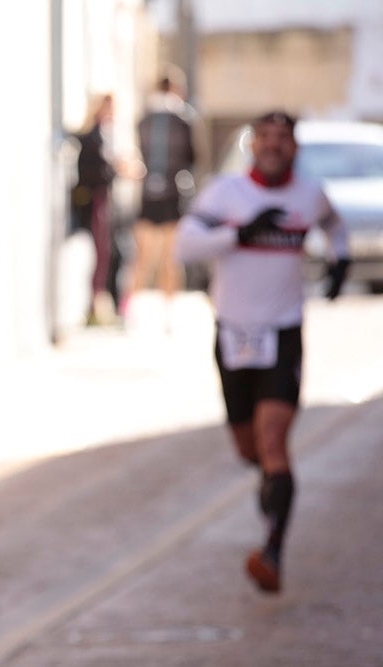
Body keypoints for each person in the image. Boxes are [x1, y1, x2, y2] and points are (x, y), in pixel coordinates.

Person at [174, 111, 350, 593]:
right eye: (266, 138)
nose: (274, 146)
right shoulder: (226, 193)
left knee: (274, 441)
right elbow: (184, 247)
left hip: (283, 332)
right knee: (250, 449)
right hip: (233, 333)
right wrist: (240, 233)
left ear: (295, 148)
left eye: (283, 139)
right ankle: (272, 490)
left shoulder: (308, 194)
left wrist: (342, 260)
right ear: (254, 145)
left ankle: (272, 551)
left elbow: (334, 226)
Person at [125, 69, 196, 327]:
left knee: (143, 256)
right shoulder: (182, 118)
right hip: (172, 194)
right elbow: (192, 158)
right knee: (170, 258)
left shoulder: (145, 119)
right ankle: (168, 313)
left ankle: (129, 310)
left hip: (147, 193)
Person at [72, 94, 118, 325]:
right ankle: (93, 307)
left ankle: (97, 305)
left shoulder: (103, 135)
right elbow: (94, 171)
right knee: (100, 254)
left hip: (102, 200)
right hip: (94, 201)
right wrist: (116, 169)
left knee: (105, 254)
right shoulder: (94, 137)